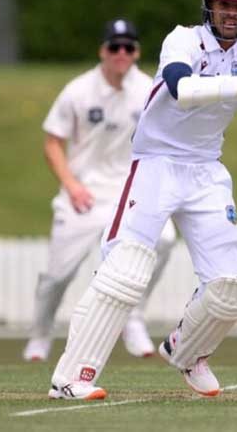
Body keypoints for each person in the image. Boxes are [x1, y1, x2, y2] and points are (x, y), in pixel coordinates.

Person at [46, 0, 237, 401]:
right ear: (208, 4)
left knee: (231, 286)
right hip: (157, 163)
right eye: (224, 4)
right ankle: (70, 378)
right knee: (124, 268)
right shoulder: (182, 39)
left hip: (206, 170)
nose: (231, 13)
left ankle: (188, 351)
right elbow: (181, 89)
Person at [23, 18, 176, 362]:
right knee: (57, 276)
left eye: (128, 47)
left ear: (136, 52)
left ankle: (133, 317)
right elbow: (52, 143)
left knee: (165, 238)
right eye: (114, 47)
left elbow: (166, 139)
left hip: (130, 193)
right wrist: (72, 186)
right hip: (85, 195)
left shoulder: (149, 89)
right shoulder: (78, 91)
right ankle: (40, 334)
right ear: (102, 51)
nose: (121, 53)